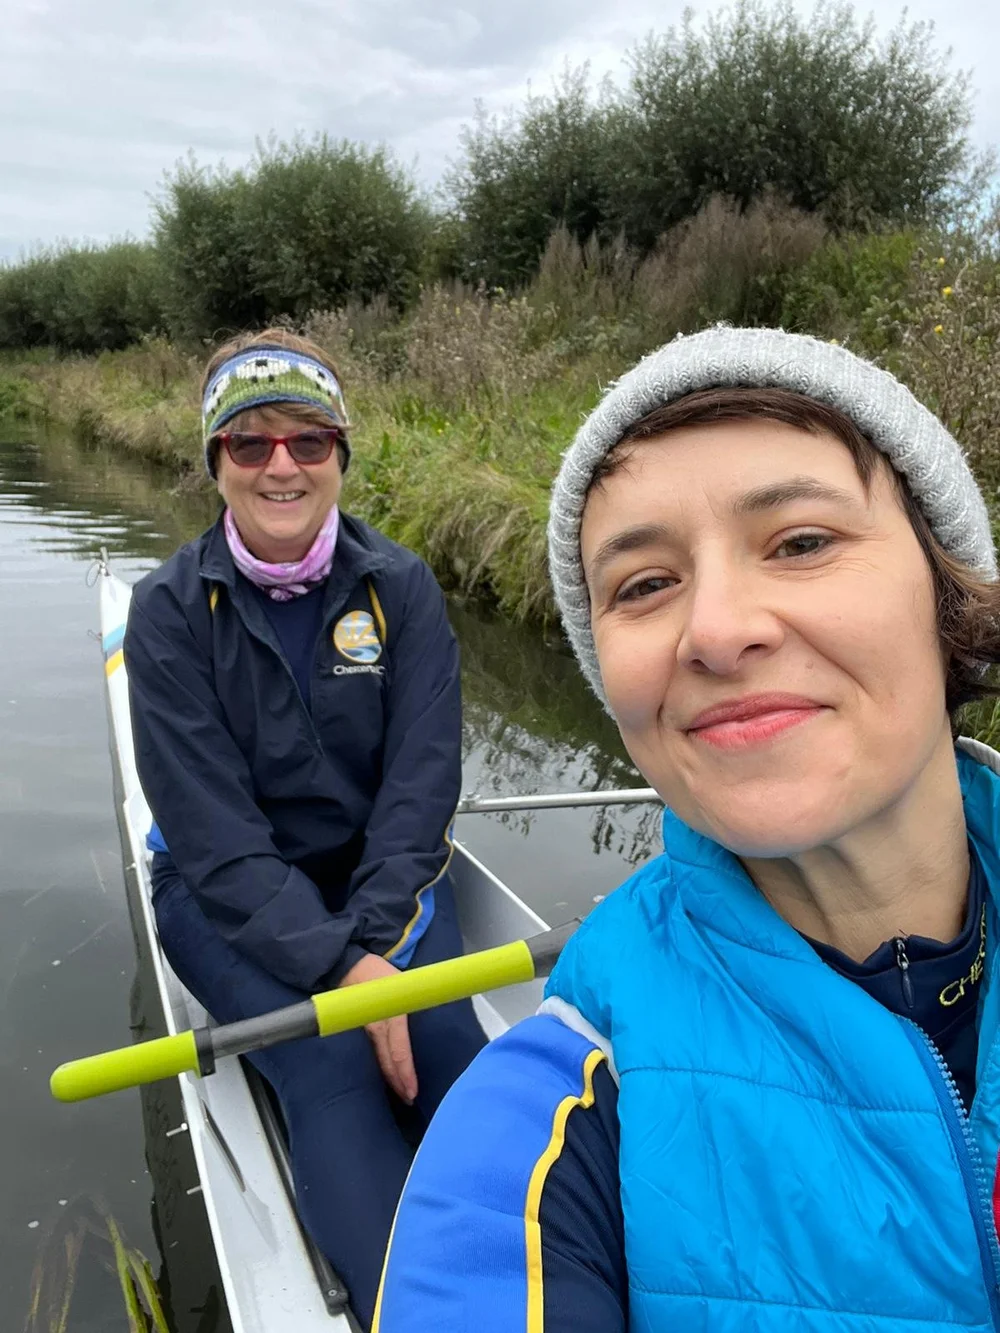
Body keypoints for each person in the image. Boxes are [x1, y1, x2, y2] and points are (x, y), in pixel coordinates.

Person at [374, 326, 1000, 1331]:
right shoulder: (545, 1130)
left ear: (948, 593)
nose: (713, 629)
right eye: (645, 584)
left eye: (800, 542)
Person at [123, 328, 486, 1330]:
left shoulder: (402, 587)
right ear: (216, 464)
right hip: (223, 900)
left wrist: (374, 946)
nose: (280, 465)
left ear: (339, 454)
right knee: (333, 1066)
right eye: (249, 444)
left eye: (307, 440)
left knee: (452, 1048)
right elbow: (213, 839)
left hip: (386, 886)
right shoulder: (165, 612)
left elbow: (422, 786)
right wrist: (346, 973)